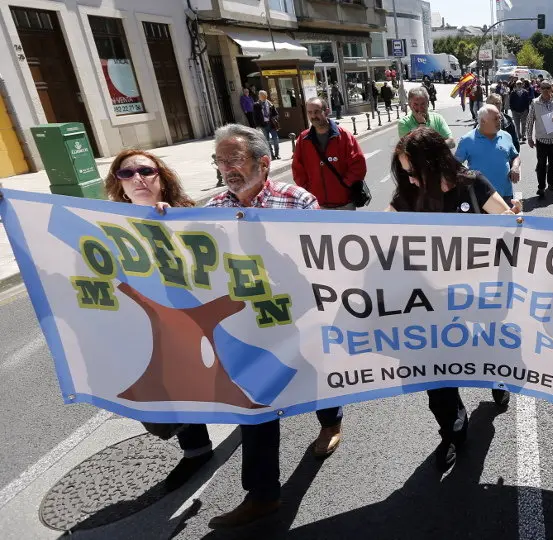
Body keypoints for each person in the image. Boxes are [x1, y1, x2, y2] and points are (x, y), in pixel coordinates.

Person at [205, 124, 345, 528]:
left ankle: (331, 421)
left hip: (299, 318)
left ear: (263, 163)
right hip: (248, 327)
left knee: (318, 378)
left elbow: (325, 262)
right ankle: (263, 494)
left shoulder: (297, 202)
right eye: (220, 160)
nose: (226, 168)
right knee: (255, 404)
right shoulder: (211, 211)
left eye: (235, 159)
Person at [388, 127, 521, 472]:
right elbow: (375, 238)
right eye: (405, 173)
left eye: (414, 172)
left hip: (481, 298)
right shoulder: (406, 197)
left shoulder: (472, 185)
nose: (411, 180)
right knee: (435, 375)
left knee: (486, 350)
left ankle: (496, 376)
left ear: (433, 164)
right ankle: (452, 427)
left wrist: (514, 219)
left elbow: (506, 223)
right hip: (431, 304)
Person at [104, 149, 211, 492]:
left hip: (190, 318)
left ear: (161, 178)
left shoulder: (185, 215)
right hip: (142, 322)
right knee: (162, 388)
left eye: (146, 170)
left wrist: (173, 222)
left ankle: (249, 422)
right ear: (118, 185)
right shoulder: (104, 222)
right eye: (126, 173)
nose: (137, 178)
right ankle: (196, 449)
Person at [292, 97, 368, 209]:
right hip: (317, 205)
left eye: (317, 112)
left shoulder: (344, 136)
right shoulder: (303, 139)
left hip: (344, 204)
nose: (313, 116)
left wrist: (344, 184)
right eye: (310, 112)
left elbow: (358, 165)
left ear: (326, 111)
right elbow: (297, 169)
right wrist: (309, 189)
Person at [456, 104, 521, 203]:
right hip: (480, 197)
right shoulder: (467, 140)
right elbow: (455, 165)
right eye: (495, 119)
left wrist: (515, 166)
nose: (500, 121)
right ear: (482, 121)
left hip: (506, 195)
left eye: (500, 118)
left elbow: (515, 156)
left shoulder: (506, 136)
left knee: (509, 218)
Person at [525, 79, 553, 199]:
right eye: (543, 88)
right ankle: (541, 186)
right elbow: (529, 121)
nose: (545, 90)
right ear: (539, 89)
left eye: (548, 87)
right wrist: (529, 137)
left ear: (551, 89)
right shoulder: (535, 102)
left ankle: (551, 183)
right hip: (541, 139)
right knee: (542, 164)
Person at [253, 90, 280, 160]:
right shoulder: (256, 105)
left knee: (276, 140)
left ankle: (277, 154)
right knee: (267, 141)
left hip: (271, 124)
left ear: (265, 96)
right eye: (260, 96)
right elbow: (255, 116)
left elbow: (276, 114)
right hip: (263, 125)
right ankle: (272, 155)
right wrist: (257, 125)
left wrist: (274, 118)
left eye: (263, 96)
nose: (261, 97)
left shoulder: (270, 104)